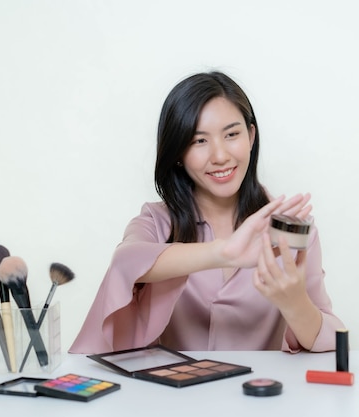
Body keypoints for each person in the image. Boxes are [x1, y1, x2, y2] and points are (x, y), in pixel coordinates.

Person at [69, 71, 344, 354]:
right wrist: (223, 252)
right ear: (178, 152)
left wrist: (295, 303)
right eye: (199, 141)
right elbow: (126, 262)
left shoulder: (293, 230)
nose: (220, 155)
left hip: (262, 394)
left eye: (232, 134)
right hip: (174, 395)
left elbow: (334, 338)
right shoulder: (157, 221)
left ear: (251, 136)